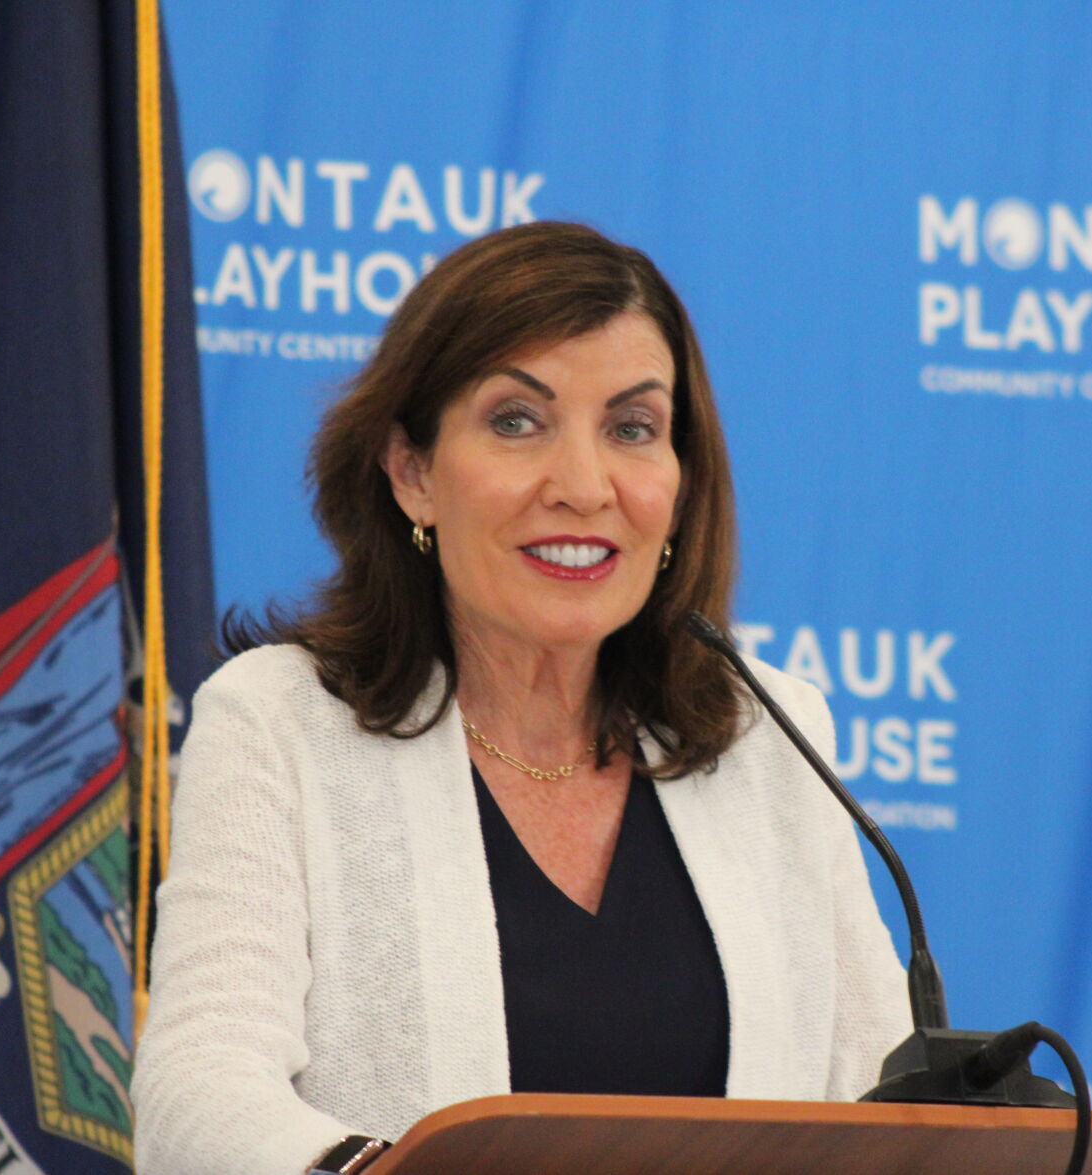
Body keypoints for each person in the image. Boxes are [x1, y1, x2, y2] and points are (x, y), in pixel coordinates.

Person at [131, 222, 909, 1175]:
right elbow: (198, 1089)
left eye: (631, 429)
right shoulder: (283, 720)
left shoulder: (765, 734)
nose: (583, 486)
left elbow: (887, 1101)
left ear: (680, 482)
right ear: (412, 472)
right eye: (515, 421)